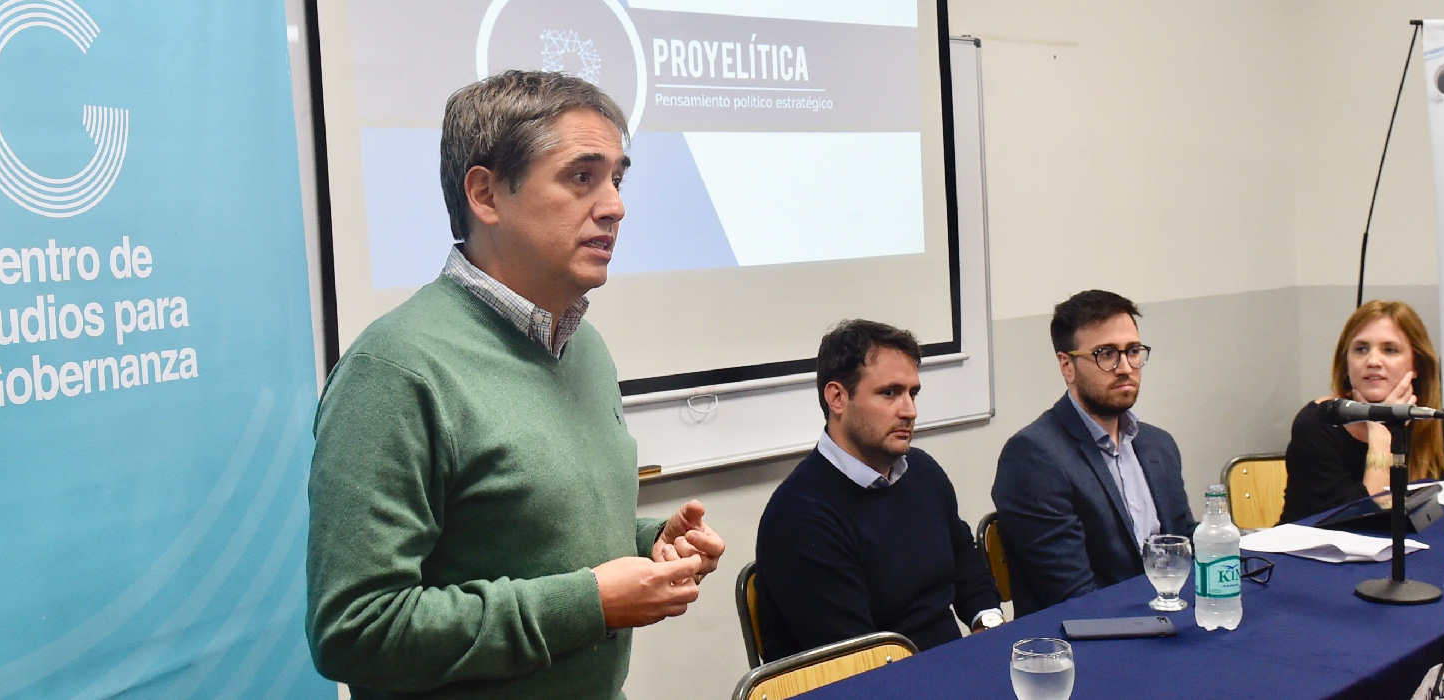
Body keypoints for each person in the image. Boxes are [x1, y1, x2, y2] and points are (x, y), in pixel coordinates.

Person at [306, 71, 725, 700]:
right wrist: (589, 604)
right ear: (486, 195)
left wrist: (647, 544)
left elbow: (523, 539)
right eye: (581, 177)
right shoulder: (394, 371)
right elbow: (355, 630)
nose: (614, 206)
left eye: (616, 179)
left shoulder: (584, 346)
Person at [755, 320, 1004, 661]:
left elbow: (964, 561)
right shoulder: (799, 517)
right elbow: (859, 659)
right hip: (874, 679)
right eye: (890, 393)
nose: (909, 411)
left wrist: (988, 624)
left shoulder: (923, 472)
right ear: (838, 398)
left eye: (912, 393)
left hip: (947, 666)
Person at [992, 290, 1196, 616]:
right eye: (1106, 354)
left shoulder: (1158, 445)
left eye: (1133, 351)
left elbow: (1185, 548)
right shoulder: (1034, 457)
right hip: (1093, 632)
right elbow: (1074, 596)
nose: (1125, 367)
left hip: (1171, 617)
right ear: (1067, 366)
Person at [1279, 300, 1444, 524]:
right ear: (1346, 364)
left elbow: (1436, 515)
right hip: (1316, 543)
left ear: (1417, 365)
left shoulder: (1437, 423)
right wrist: (1381, 437)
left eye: (1390, 350)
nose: (1373, 361)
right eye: (1361, 349)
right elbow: (1353, 524)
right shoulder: (1317, 424)